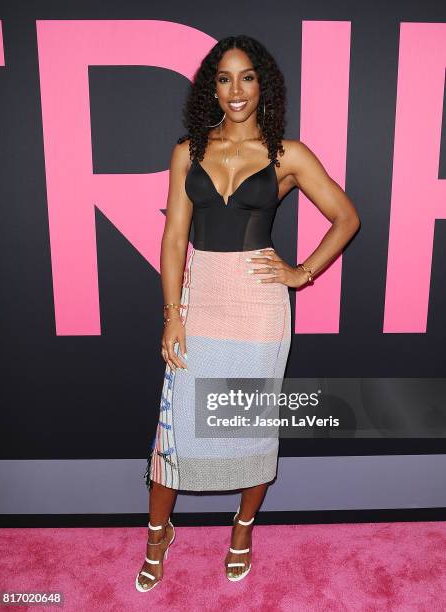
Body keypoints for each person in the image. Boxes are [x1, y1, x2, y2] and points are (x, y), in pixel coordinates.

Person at [136, 35, 360, 592]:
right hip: (200, 297)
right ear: (211, 88)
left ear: (264, 85)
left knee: (250, 423)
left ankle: (242, 528)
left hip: (260, 308)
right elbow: (173, 239)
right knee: (176, 431)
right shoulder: (188, 150)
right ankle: (157, 533)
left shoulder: (288, 154)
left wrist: (301, 272)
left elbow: (346, 217)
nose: (236, 90)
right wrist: (172, 313)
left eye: (247, 77)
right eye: (224, 78)